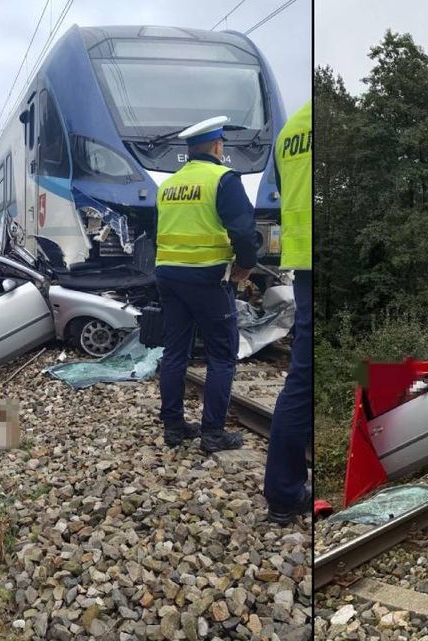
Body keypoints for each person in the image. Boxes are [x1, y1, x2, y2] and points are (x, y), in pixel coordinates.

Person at [155, 116, 258, 453]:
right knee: (222, 356)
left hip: (168, 276)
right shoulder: (222, 179)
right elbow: (243, 230)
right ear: (217, 146)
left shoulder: (168, 185)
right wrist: (245, 264)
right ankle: (213, 434)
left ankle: (173, 427)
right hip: (207, 278)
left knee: (174, 352)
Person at [263, 100, 313, 524]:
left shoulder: (289, 131)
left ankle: (284, 491)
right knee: (314, 377)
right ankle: (286, 491)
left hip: (304, 265)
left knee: (300, 380)